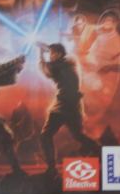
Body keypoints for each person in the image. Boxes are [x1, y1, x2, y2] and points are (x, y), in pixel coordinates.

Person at [39, 43, 101, 173]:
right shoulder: (65, 63)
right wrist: (45, 50)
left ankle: (101, 153)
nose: (51, 56)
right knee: (69, 135)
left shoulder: (66, 63)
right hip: (66, 105)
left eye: (52, 53)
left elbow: (48, 69)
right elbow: (49, 70)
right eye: (50, 53)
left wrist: (42, 53)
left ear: (59, 53)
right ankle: (51, 167)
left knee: (73, 135)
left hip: (67, 105)